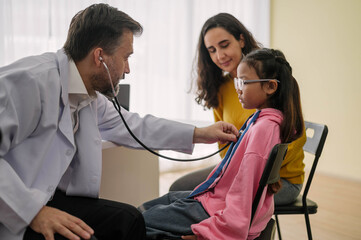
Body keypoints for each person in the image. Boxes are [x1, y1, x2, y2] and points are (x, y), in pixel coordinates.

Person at [0, 4, 240, 240]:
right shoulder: (29, 82)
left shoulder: (87, 92)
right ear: (99, 57)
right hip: (14, 208)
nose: (127, 69)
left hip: (47, 197)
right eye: (126, 58)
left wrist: (201, 133)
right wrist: (34, 212)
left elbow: (134, 125)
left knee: (130, 219)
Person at [140, 48, 305, 240]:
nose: (238, 88)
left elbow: (245, 192)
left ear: (270, 87)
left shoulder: (263, 129)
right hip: (217, 201)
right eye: (237, 81)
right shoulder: (264, 122)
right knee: (149, 208)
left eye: (243, 82)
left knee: (136, 222)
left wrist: (214, 232)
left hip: (218, 211)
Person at [170, 13, 306, 206]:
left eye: (224, 45)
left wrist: (246, 170)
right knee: (178, 188)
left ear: (241, 40)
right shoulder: (221, 88)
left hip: (279, 180)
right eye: (212, 50)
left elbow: (294, 138)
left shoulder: (271, 81)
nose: (220, 55)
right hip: (237, 170)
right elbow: (224, 148)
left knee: (209, 199)